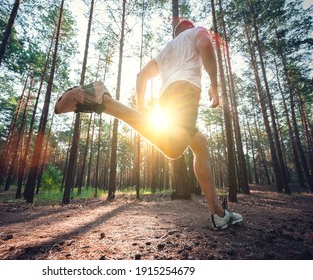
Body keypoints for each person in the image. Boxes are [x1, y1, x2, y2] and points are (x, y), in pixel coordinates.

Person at [54, 19, 243, 230]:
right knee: (174, 147)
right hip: (186, 91)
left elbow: (141, 76)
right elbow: (206, 44)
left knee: (200, 144)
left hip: (167, 98)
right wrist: (215, 86)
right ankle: (106, 102)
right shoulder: (196, 32)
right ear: (189, 28)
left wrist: (142, 108)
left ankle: (218, 213)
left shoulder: (168, 49)